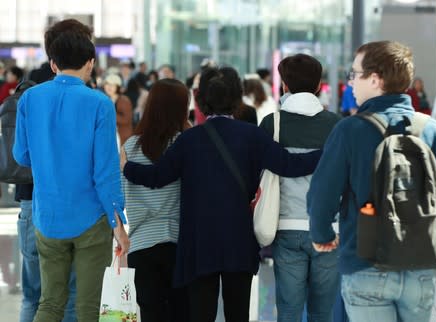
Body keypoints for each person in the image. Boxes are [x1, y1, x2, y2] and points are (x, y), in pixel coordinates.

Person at [122, 66, 322, 322]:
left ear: (202, 101)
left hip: (198, 244)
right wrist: (328, 152)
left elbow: (158, 177)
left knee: (201, 314)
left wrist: (128, 167)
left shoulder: (189, 139)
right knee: (237, 313)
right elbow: (290, 165)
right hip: (238, 241)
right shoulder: (252, 136)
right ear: (237, 99)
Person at [307, 40, 436, 321]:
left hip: (365, 264)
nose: (351, 83)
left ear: (375, 79)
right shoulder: (435, 132)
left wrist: (322, 235)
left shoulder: (349, 130)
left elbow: (322, 196)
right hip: (421, 265)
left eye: (354, 74)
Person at [13, 21, 129, 322]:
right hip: (91, 218)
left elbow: (21, 155)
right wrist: (118, 223)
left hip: (47, 215)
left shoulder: (29, 99)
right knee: (87, 308)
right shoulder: (100, 103)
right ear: (90, 63)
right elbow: (105, 170)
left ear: (53, 63)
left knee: (49, 303)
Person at [16, 18, 94, 322]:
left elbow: (21, 153)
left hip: (31, 200)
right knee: (72, 298)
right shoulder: (88, 93)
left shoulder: (28, 88)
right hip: (76, 207)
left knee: (34, 297)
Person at [260, 53, 341, 322]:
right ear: (319, 86)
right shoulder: (337, 126)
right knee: (321, 313)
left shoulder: (273, 124)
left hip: (286, 228)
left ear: (284, 85)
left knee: (289, 311)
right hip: (329, 230)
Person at [123, 78, 190, 322]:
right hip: (179, 244)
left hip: (141, 245)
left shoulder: (130, 146)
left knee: (151, 315)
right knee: (181, 313)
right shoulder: (186, 143)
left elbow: (121, 196)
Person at [103, 73, 133, 146]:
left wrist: (108, 114)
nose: (109, 87)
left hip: (121, 137)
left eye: (113, 85)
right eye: (107, 84)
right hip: (110, 137)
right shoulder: (105, 99)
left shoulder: (124, 100)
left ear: (118, 87)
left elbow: (126, 119)